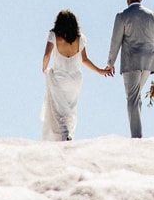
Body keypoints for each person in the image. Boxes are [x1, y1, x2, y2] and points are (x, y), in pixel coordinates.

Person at [40, 9, 111, 141]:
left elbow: (47, 55)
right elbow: (84, 59)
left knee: (59, 109)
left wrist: (44, 69)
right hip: (75, 80)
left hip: (60, 78)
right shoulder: (81, 39)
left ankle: (65, 134)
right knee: (71, 109)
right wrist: (100, 71)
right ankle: (69, 134)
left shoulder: (53, 36)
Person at [107, 0, 154, 138]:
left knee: (131, 98)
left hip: (131, 63)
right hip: (148, 64)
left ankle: (136, 137)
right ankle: (137, 132)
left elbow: (116, 41)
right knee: (136, 97)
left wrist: (110, 62)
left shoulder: (122, 16)